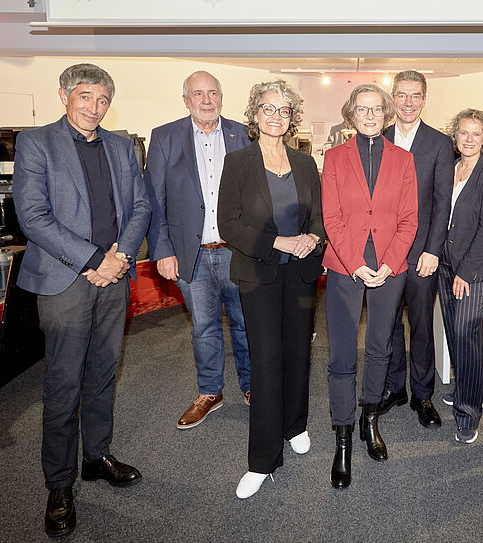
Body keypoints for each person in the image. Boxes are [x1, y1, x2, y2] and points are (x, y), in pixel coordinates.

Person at [12, 63, 149, 538]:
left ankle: (96, 457)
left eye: (102, 100)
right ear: (64, 96)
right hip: (65, 279)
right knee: (64, 382)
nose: (94, 108)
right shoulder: (36, 143)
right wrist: (94, 259)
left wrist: (121, 256)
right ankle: (59, 484)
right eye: (85, 97)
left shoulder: (120, 145)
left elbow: (141, 206)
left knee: (103, 372)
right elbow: (32, 217)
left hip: (115, 277)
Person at [216, 80, 326, 499]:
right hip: (258, 273)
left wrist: (311, 239)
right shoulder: (239, 162)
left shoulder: (304, 163)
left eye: (284, 110)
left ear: (292, 117)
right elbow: (229, 223)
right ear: (255, 114)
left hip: (300, 274)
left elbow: (318, 217)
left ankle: (295, 425)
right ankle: (262, 460)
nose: (276, 116)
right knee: (266, 360)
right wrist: (279, 242)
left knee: (299, 352)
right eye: (268, 108)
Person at [144, 71, 252, 430]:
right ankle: (210, 392)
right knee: (204, 327)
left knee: (246, 323)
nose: (206, 100)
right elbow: (154, 201)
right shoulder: (164, 137)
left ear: (222, 97)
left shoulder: (243, 135)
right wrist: (161, 250)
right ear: (186, 100)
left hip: (238, 252)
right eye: (198, 94)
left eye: (213, 93)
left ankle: (253, 386)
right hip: (191, 254)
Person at [322, 84, 418, 488]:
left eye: (377, 109)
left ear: (387, 113)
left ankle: (370, 419)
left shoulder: (404, 159)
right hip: (346, 266)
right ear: (351, 113)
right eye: (362, 109)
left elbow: (409, 219)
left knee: (380, 348)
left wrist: (390, 263)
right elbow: (333, 218)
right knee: (343, 355)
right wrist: (358, 265)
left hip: (390, 267)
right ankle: (342, 436)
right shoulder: (334, 157)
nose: (370, 115)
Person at [378, 70, 453, 428]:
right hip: (384, 254)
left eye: (415, 95)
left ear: (424, 99)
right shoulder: (377, 138)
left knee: (421, 327)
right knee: (388, 324)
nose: (408, 102)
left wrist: (433, 249)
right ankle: (395, 388)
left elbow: (442, 203)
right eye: (402, 95)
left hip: (422, 253)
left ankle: (423, 395)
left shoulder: (439, 143)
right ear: (393, 97)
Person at [438, 109, 483, 444]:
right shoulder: (450, 169)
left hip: (474, 271)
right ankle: (478, 388)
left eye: (475, 134)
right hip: (445, 265)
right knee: (458, 332)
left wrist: (465, 272)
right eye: (463, 132)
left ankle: (467, 411)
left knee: (464, 333)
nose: (468, 139)